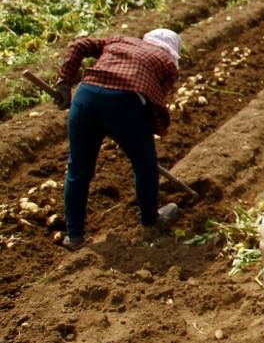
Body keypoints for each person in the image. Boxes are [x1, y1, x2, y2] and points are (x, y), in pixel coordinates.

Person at [55, 29, 184, 250]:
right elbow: (155, 104)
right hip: (123, 102)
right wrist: (137, 131)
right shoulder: (167, 63)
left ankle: (74, 236)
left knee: (78, 168)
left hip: (84, 97)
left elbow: (78, 45)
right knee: (145, 163)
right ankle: (150, 219)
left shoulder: (120, 40)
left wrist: (64, 82)